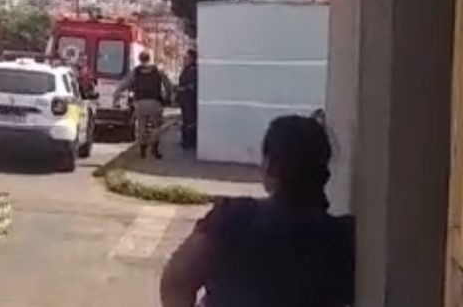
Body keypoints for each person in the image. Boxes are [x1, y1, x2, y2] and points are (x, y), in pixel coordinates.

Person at [160, 114, 354, 307]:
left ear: (270, 166)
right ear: (325, 174)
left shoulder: (235, 218)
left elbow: (176, 282)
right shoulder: (343, 238)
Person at [113, 50, 173, 159]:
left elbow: (125, 84)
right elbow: (168, 84)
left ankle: (143, 149)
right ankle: (154, 147)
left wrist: (116, 94)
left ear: (140, 59)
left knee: (142, 126)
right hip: (154, 101)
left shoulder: (136, 72)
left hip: (140, 102)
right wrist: (168, 97)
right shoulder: (157, 70)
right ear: (150, 58)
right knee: (157, 126)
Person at [177, 49, 198, 151]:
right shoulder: (187, 70)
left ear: (192, 59)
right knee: (186, 120)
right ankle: (186, 139)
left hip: (189, 100)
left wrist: (182, 89)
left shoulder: (193, 70)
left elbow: (191, 86)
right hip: (185, 100)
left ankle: (189, 141)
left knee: (190, 120)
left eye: (187, 58)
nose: (185, 60)